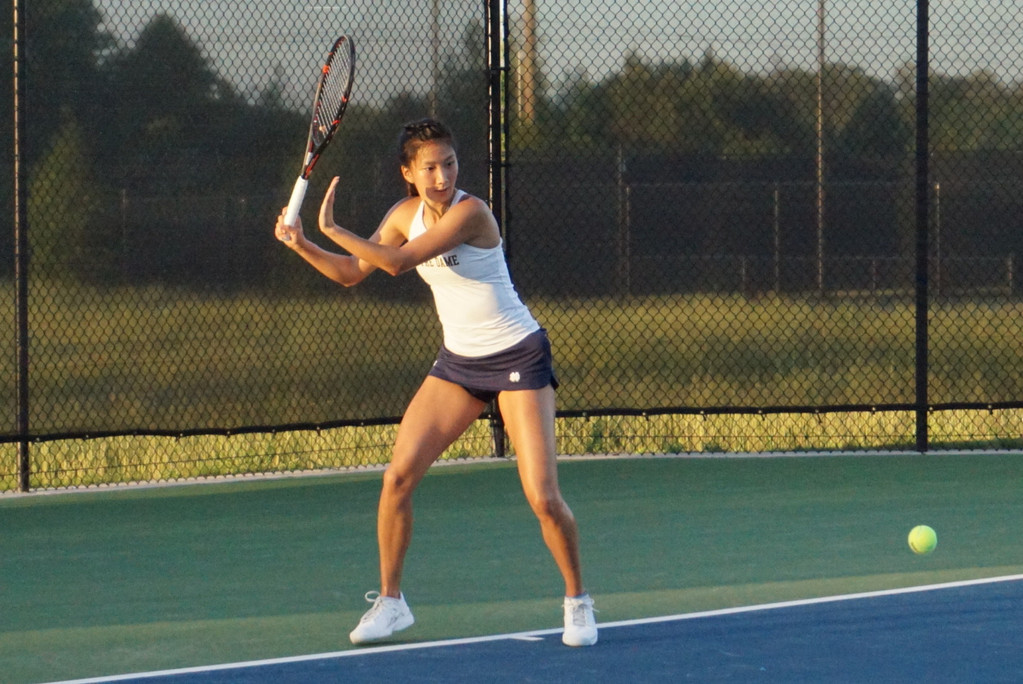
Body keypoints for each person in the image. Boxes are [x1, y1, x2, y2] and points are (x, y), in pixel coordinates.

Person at [274, 118, 598, 647]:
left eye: (449, 163)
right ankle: (392, 602)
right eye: (429, 167)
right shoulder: (405, 214)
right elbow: (355, 272)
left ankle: (578, 600)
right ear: (409, 173)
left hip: (517, 353)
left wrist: (334, 228)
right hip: (459, 363)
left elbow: (398, 264)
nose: (442, 175)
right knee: (397, 478)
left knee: (542, 496)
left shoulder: (473, 213)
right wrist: (304, 244)